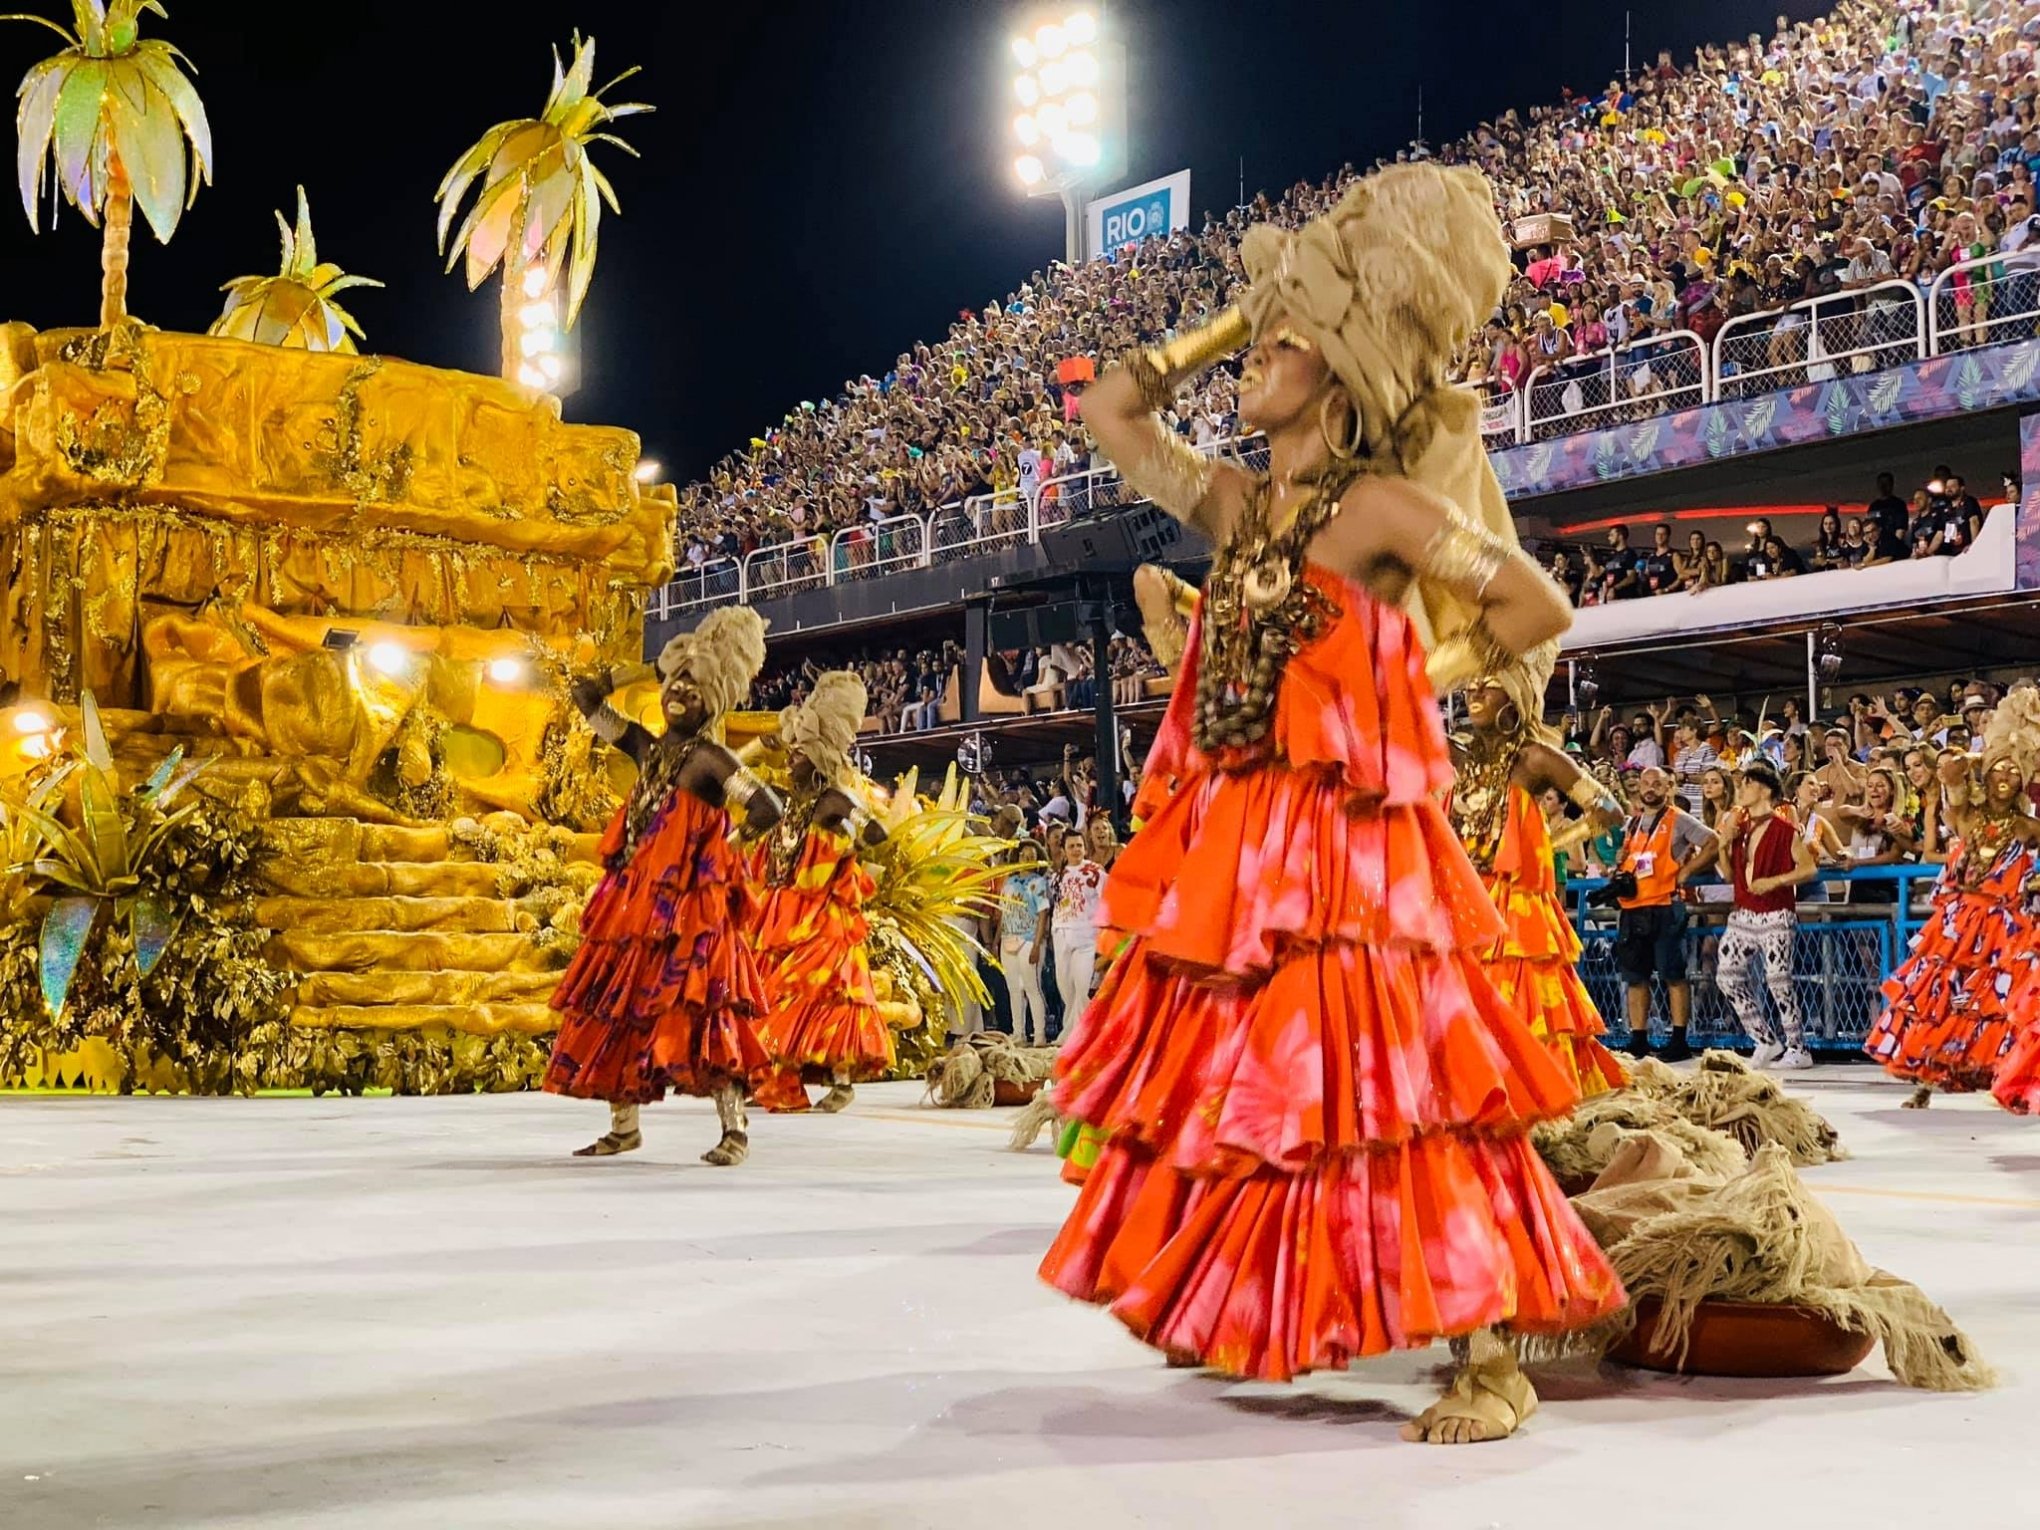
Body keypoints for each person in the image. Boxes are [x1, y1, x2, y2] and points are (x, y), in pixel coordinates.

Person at [1039, 165, 1621, 1446]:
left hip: (1359, 847)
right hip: (1246, 845)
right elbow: (1118, 412)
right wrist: (1254, 314)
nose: (1262, 362)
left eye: (1290, 345)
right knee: (1258, 1084)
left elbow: (1535, 609)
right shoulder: (1238, 504)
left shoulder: (1378, 510)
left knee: (1402, 1078)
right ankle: (1271, 1299)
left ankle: (1487, 1356)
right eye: (1266, 340)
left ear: (1346, 373)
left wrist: (1397, 679)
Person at [543, 609, 780, 1166]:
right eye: (675, 682)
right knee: (617, 1007)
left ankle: (735, 1131)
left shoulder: (711, 759)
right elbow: (586, 699)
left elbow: (766, 807)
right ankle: (624, 1128)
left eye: (695, 686)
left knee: (704, 1009)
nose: (679, 692)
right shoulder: (647, 749)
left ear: (714, 700)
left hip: (693, 915)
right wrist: (649, 667)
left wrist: (727, 851)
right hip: (637, 906)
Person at [1450, 655, 1627, 1096]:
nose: (1474, 693)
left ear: (1514, 695)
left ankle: (1533, 1094)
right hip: (1463, 900)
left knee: (1521, 1008)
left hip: (1516, 906)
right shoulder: (1455, 752)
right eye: (1470, 685)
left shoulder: (1536, 758)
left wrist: (1544, 843)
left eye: (1488, 685)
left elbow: (1608, 810)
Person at [1868, 689, 2040, 1108]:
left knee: (1998, 1003)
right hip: (1960, 923)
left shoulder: (2026, 827)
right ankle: (1924, 1082)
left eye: (2013, 774)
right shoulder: (1970, 818)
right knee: (1939, 998)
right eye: (1997, 772)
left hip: (2005, 926)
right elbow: (1951, 779)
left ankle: (2003, 1076)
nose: (2004, 779)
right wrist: (1978, 760)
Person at [752, 672, 893, 1114]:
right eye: (791, 751)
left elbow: (875, 832)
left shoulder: (832, 800)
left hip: (822, 919)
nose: (792, 758)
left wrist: (848, 845)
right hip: (781, 913)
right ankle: (783, 1075)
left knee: (823, 997)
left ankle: (840, 1079)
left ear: (819, 755)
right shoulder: (788, 803)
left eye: (799, 752)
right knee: (776, 995)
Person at [1714, 758, 1821, 1070]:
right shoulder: (1742, 829)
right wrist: (1723, 845)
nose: (1741, 790)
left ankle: (1798, 1047)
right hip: (1743, 913)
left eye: (1746, 784)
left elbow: (1808, 869)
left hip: (1775, 913)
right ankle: (1764, 1039)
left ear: (1762, 789)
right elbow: (1727, 874)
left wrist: (1774, 881)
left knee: (1778, 979)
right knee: (1727, 976)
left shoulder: (1785, 829)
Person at [1613, 765, 1718, 1062]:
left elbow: (1713, 842)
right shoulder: (1632, 822)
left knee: (1673, 974)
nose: (1649, 788)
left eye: (1656, 783)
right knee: (1636, 977)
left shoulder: (1678, 819)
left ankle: (1679, 1040)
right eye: (1645, 783)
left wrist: (1687, 871)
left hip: (1664, 905)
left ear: (1668, 787)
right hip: (1633, 908)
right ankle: (1638, 1039)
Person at [996, 833, 1052, 1046]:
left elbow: (1042, 914)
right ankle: (1017, 1032)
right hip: (1008, 936)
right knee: (1013, 988)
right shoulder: (1008, 882)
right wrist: (995, 940)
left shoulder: (1038, 883)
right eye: (1023, 855)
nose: (1027, 859)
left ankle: (1039, 1034)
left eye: (1032, 855)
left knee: (1031, 986)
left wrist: (1037, 944)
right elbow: (1003, 912)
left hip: (1029, 938)